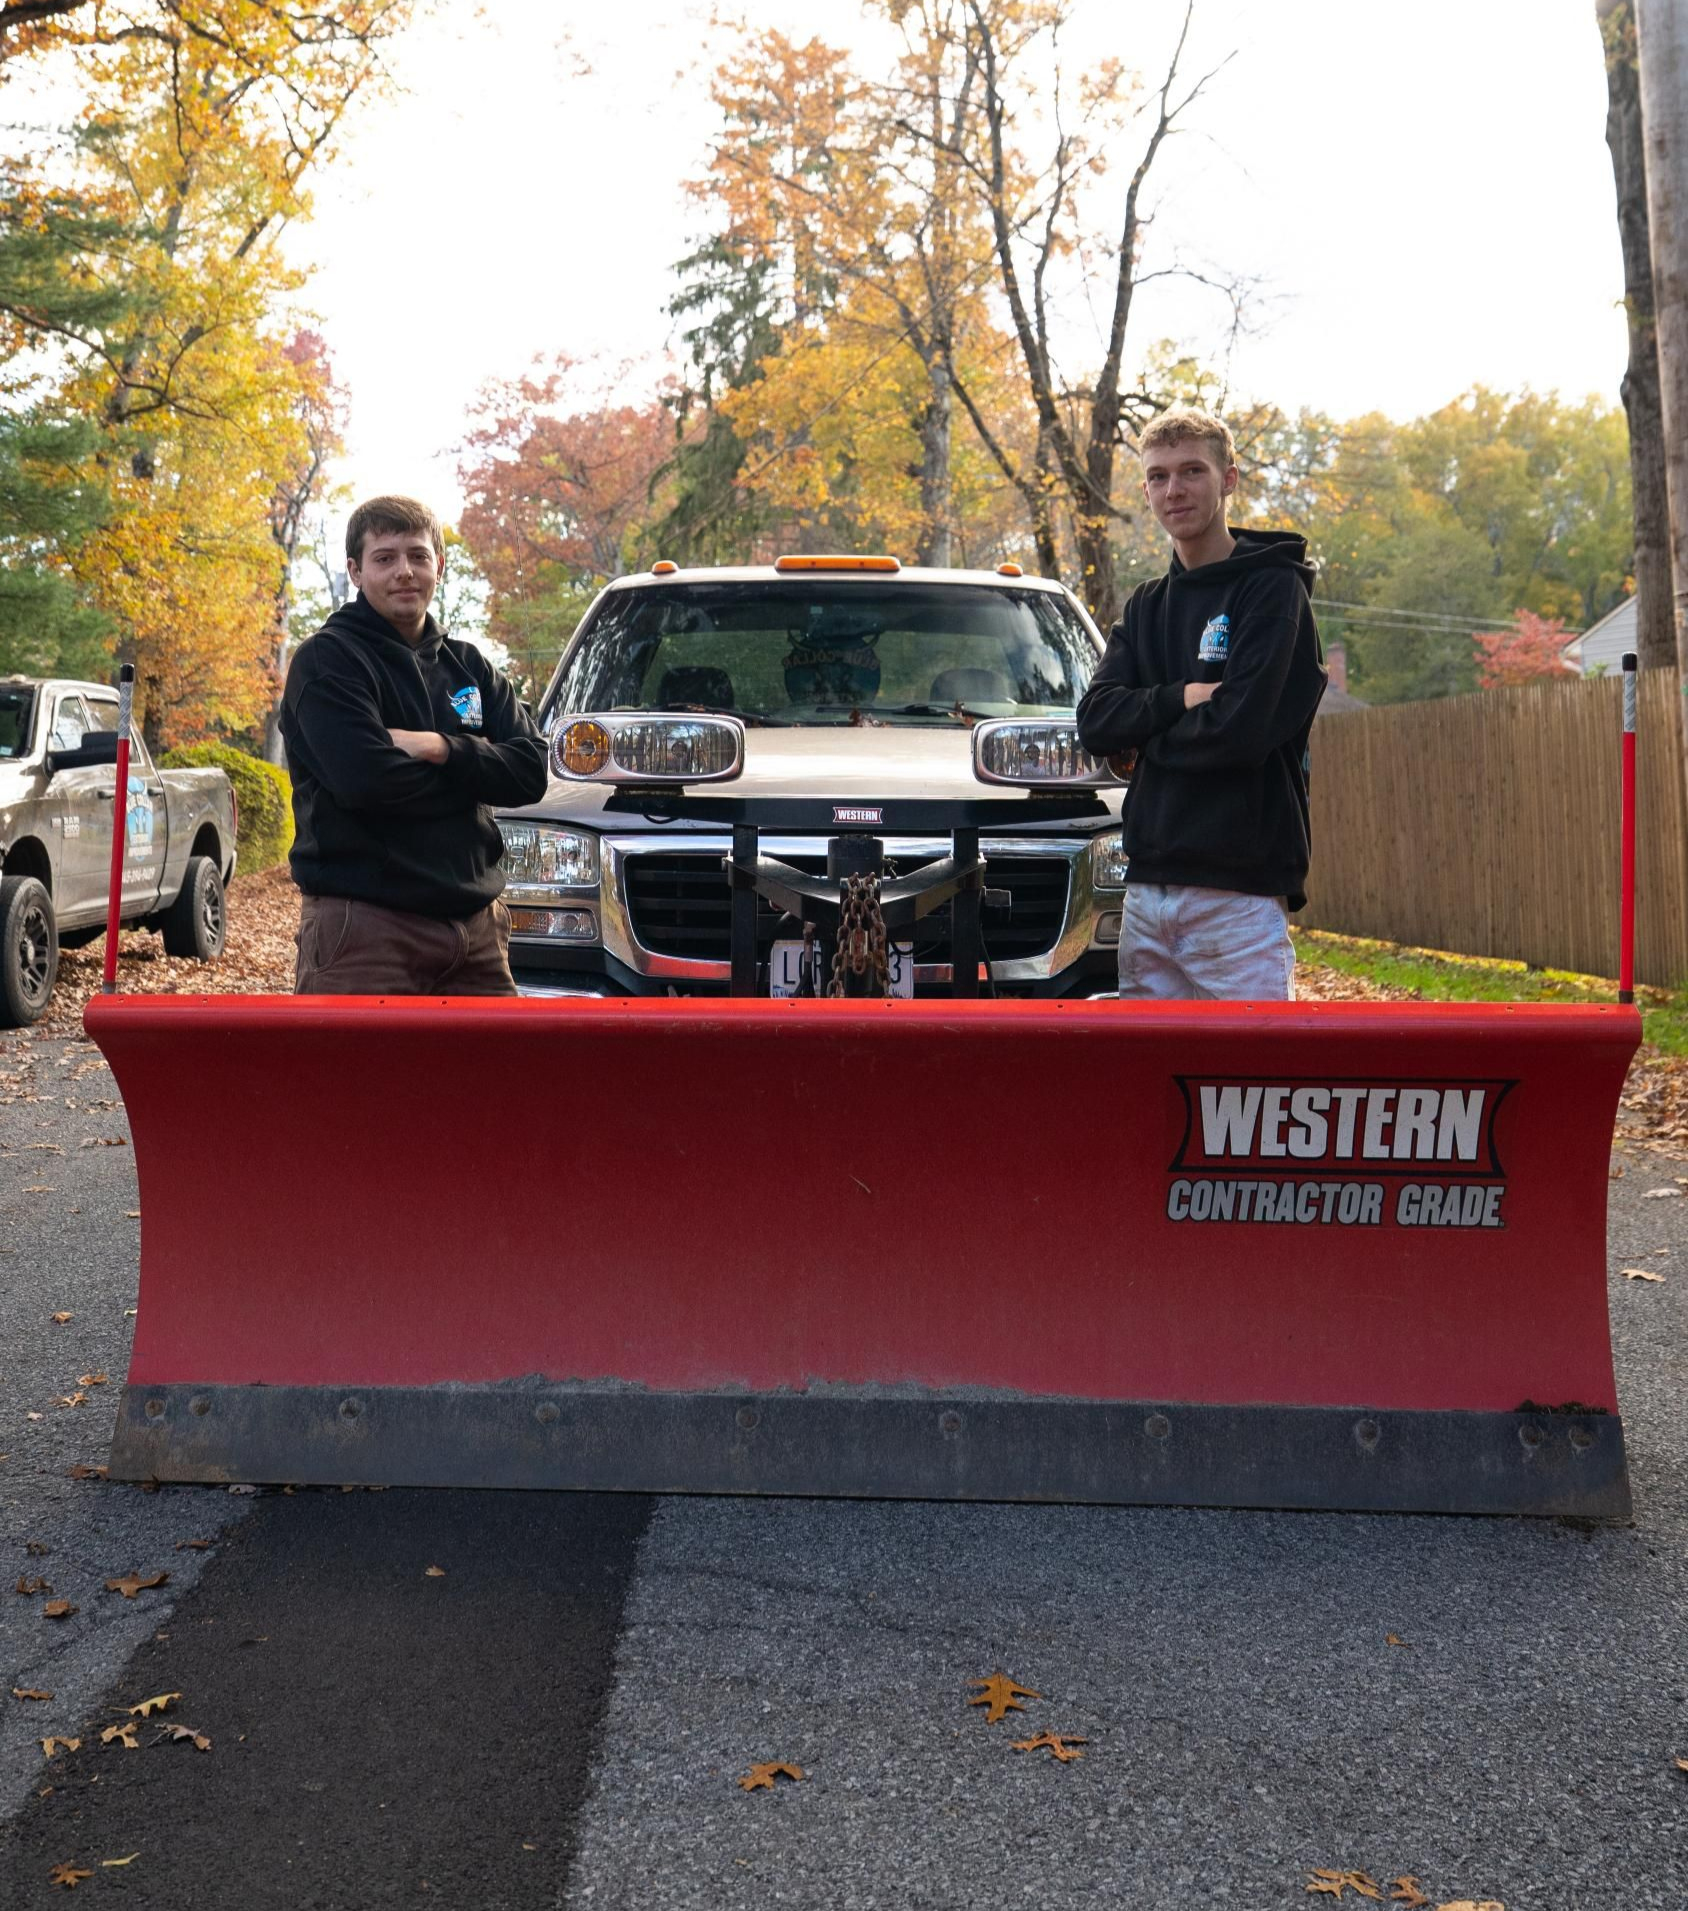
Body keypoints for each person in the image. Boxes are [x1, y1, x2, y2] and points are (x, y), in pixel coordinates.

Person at [1075, 407, 1326, 1000]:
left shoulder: (1271, 588)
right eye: (1158, 476)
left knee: (1253, 1081)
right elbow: (1095, 722)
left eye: (1192, 471)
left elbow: (1238, 732)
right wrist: (1182, 697)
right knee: (1151, 1081)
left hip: (1236, 896)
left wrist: (1145, 740)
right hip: (1145, 893)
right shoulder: (1145, 605)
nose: (1174, 489)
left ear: (1228, 480)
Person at [280, 495, 548, 994]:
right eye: (385, 558)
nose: (404, 571)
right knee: (359, 1075)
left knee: (495, 1074)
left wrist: (441, 749)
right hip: (366, 932)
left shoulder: (471, 666)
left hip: (479, 933)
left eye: (418, 556)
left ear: (438, 566)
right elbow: (368, 783)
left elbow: (532, 771)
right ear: (356, 572)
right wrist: (481, 774)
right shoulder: (326, 663)